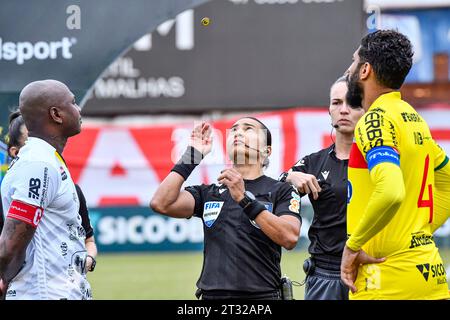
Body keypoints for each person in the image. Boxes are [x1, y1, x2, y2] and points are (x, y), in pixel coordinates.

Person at [341, 29, 450, 300]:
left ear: (365, 70)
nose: (349, 69)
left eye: (354, 62)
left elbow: (391, 190)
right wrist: (418, 232)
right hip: (429, 277)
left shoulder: (375, 119)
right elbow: (447, 181)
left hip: (386, 283)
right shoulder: (414, 120)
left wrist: (352, 246)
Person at [150, 117, 301, 300]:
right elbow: (161, 203)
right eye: (234, 129)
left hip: (262, 298)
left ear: (266, 150)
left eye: (248, 129)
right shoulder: (208, 193)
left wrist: (244, 200)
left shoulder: (281, 190)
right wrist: (193, 156)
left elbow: (290, 237)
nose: (238, 132)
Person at [0, 79, 92, 300]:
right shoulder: (38, 164)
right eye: (73, 102)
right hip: (43, 294)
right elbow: (10, 244)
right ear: (56, 114)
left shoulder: (48, 159)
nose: (78, 109)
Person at [279, 76, 364, 300]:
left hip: (371, 271)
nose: (344, 110)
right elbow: (273, 189)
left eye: (353, 103)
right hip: (325, 275)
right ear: (329, 110)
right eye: (337, 103)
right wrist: (290, 177)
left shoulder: (381, 160)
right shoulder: (313, 163)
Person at [3, 110, 97, 273]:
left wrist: (88, 260)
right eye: (31, 140)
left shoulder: (72, 191)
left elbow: (89, 241)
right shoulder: (9, 195)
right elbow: (8, 247)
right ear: (15, 152)